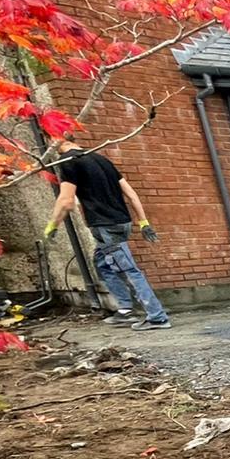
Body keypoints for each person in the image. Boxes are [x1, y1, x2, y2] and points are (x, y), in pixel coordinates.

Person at [44, 138, 170, 329]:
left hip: (107, 226)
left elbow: (66, 201)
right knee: (102, 263)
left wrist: (53, 225)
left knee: (128, 269)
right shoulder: (101, 159)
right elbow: (131, 193)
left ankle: (157, 317)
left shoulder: (68, 161)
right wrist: (143, 222)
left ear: (56, 141)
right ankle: (126, 310)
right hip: (120, 223)